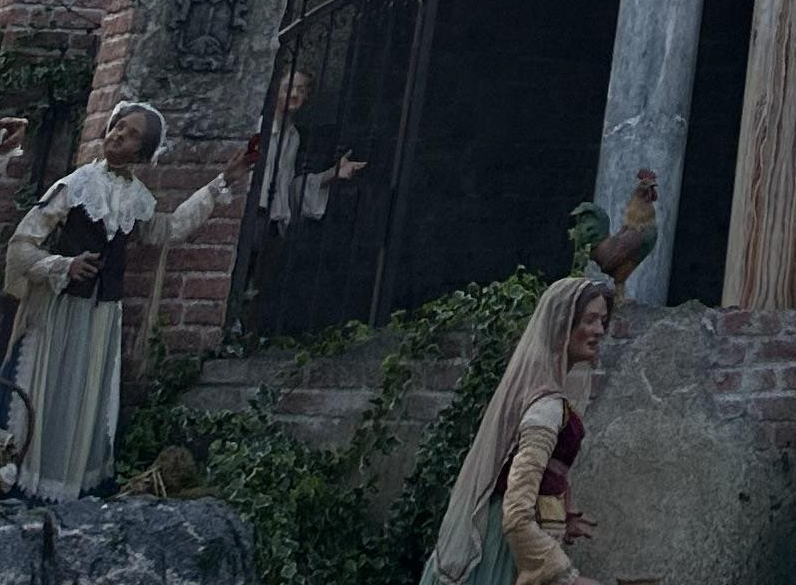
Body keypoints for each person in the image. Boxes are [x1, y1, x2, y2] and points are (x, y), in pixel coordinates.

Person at [3, 101, 243, 495]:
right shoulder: (76, 185)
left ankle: (68, 487)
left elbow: (169, 229)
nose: (119, 135)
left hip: (100, 316)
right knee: (43, 389)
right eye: (118, 127)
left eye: (132, 135)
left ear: (143, 152)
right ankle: (25, 478)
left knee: (83, 396)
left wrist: (220, 183)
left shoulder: (138, 199)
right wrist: (63, 265)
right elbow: (22, 245)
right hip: (59, 311)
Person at [416, 273, 611, 585]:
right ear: (563, 325)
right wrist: (565, 578)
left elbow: (537, 482)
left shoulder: (546, 397)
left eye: (602, 321)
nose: (599, 330)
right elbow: (518, 509)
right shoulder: (545, 406)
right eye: (589, 320)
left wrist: (559, 517)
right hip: (506, 549)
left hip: (518, 541)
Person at [245, 64, 368, 334]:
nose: (296, 94)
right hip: (250, 215)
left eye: (302, 89)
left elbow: (287, 189)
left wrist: (331, 174)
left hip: (273, 223)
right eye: (290, 86)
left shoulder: (293, 136)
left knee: (257, 289)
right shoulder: (256, 126)